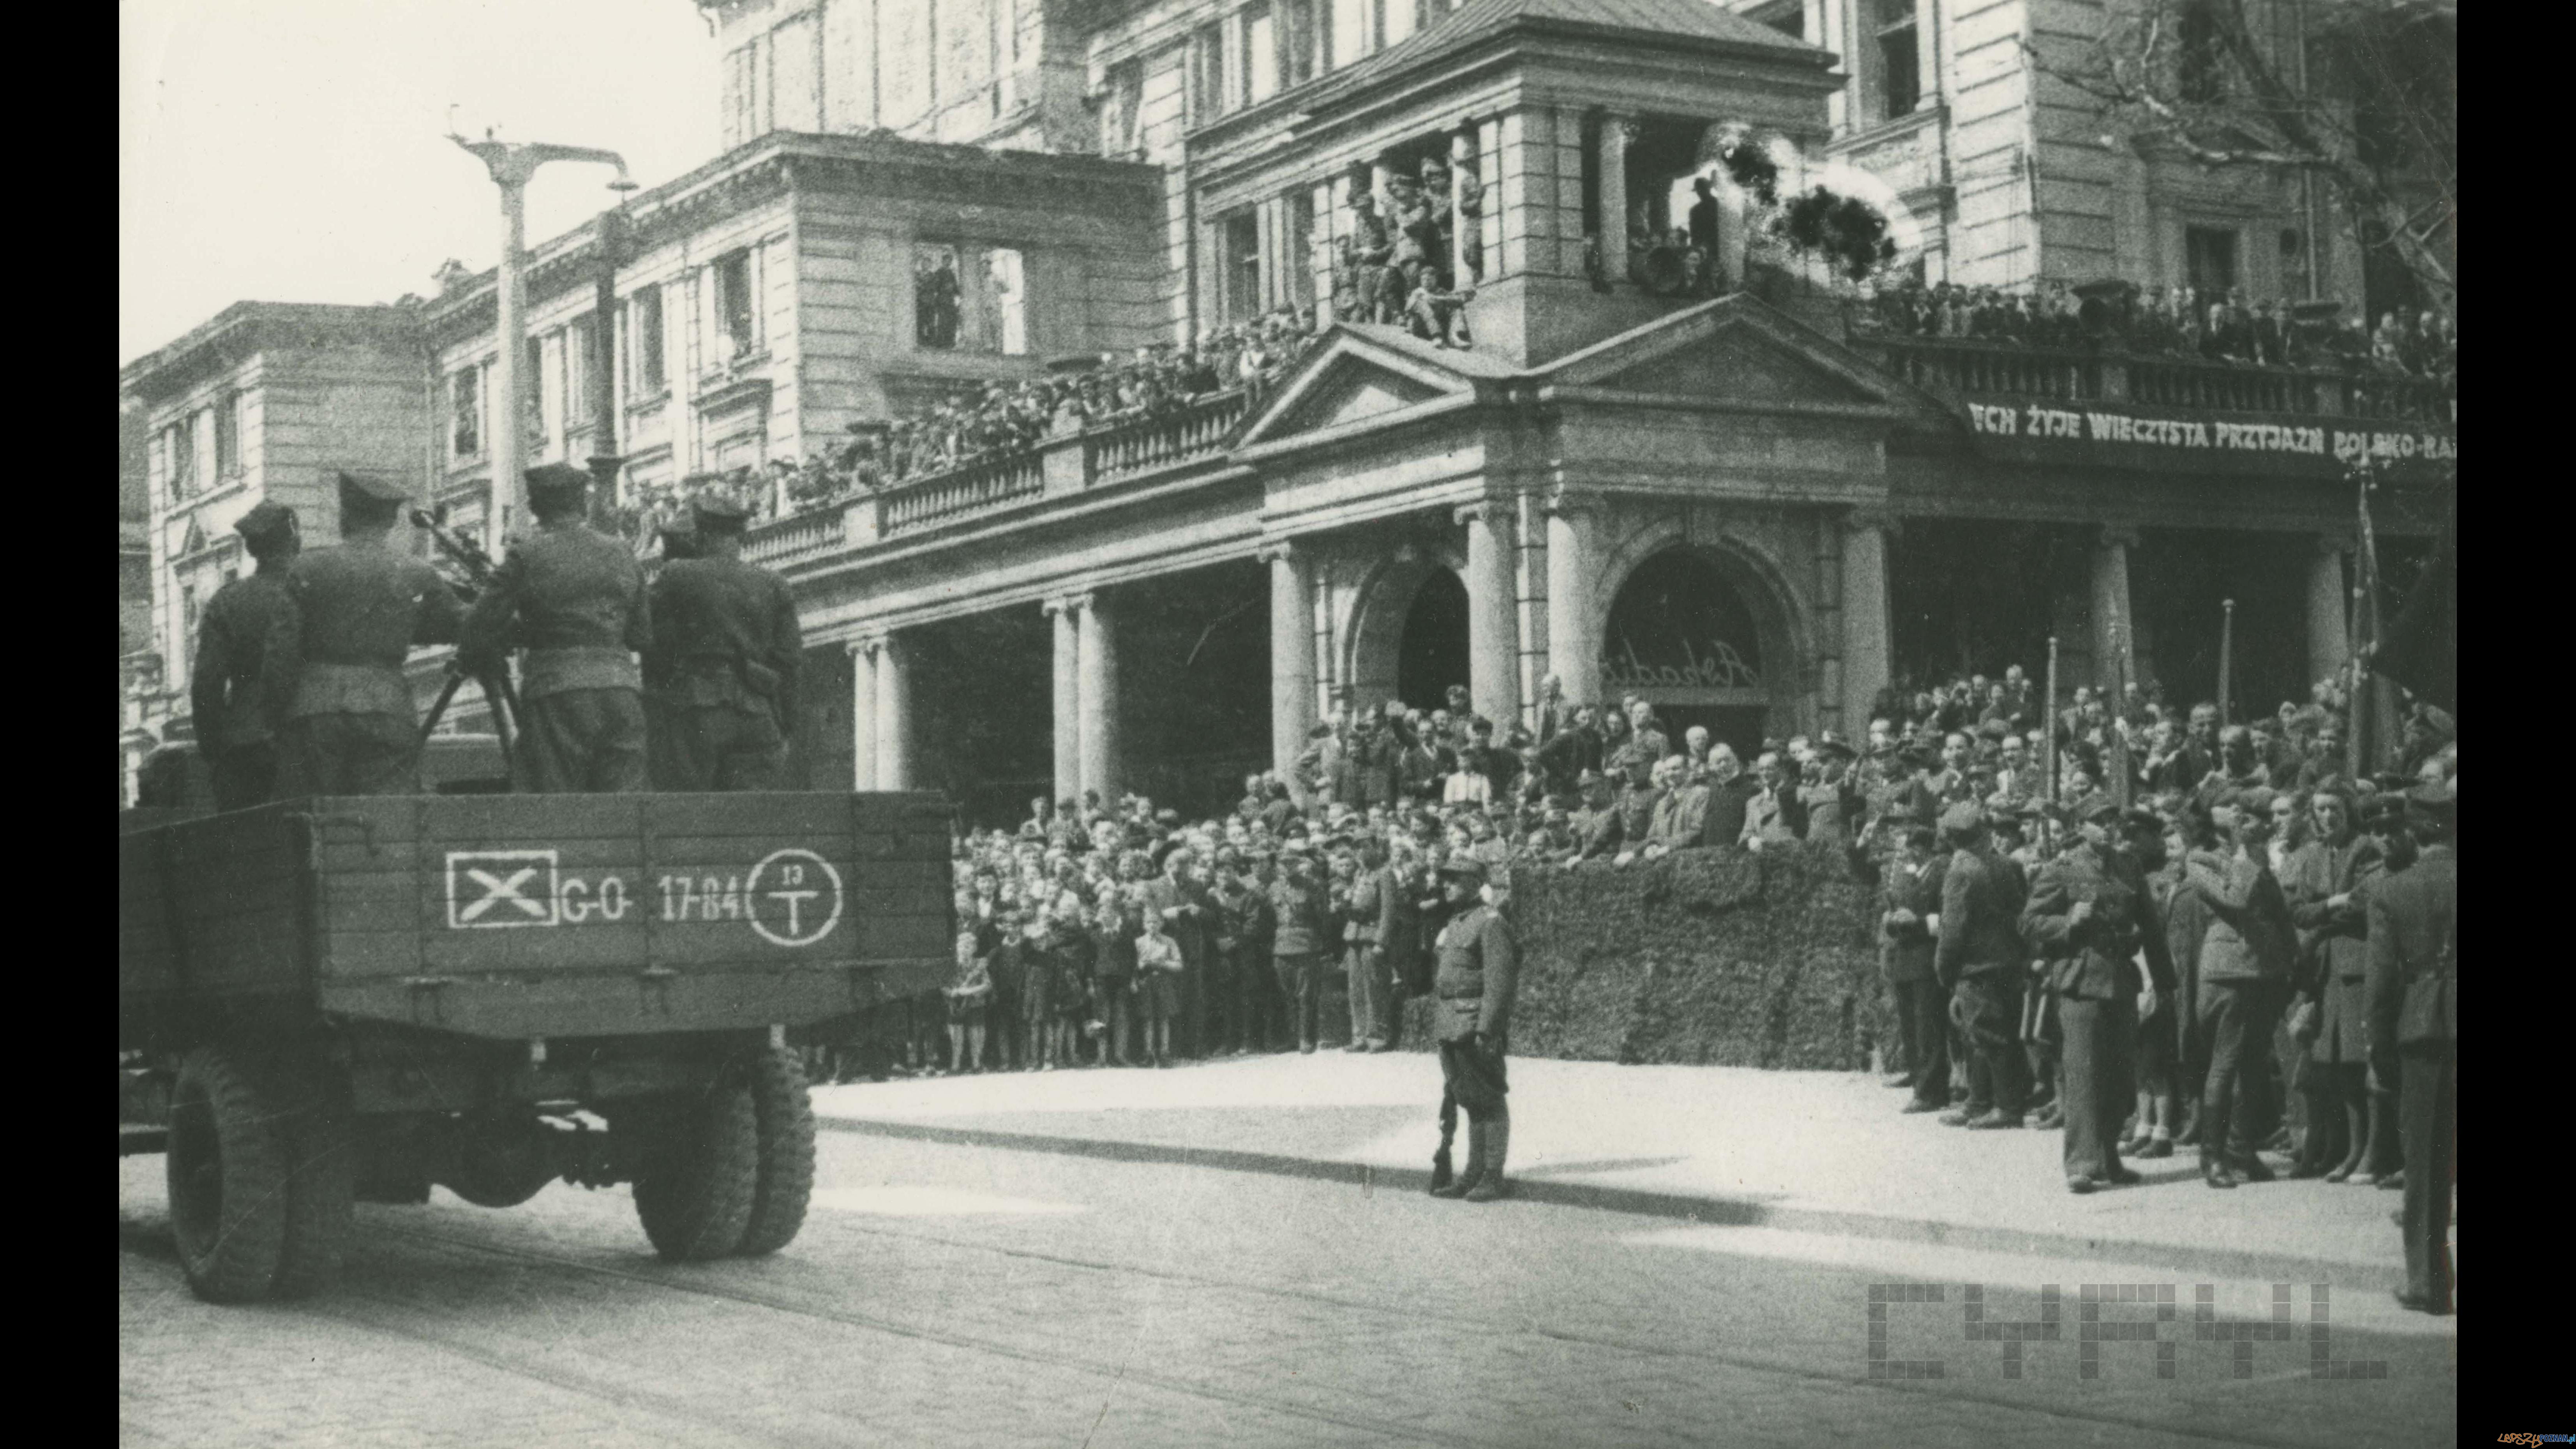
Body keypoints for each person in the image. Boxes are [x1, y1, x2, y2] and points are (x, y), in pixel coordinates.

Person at [460, 464, 652, 793]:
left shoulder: (527, 554)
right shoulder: (622, 551)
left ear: (535, 506)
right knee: (627, 809)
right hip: (620, 689)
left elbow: (479, 625)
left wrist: (522, 632)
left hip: (557, 691)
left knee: (554, 807)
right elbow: (641, 635)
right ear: (583, 504)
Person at [272, 473, 467, 795]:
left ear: (344, 516)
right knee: (389, 818)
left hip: (316, 709)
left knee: (316, 817)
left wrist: (280, 715)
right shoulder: (416, 571)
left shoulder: (306, 568)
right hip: (387, 705)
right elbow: (465, 623)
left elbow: (280, 653)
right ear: (392, 521)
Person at [2022, 793, 2172, 1193]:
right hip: (2080, 981)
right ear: (2081, 827)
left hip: (2121, 980)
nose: (2108, 828)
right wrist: (2068, 921)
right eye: (2099, 821)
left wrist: (2167, 982)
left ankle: (2109, 1159)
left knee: (2120, 1076)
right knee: (2084, 1075)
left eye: (2113, 821)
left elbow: (2152, 929)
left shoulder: (2128, 866)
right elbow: (2030, 921)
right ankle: (2082, 1164)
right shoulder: (2064, 868)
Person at [644, 493, 803, 790]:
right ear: (742, 535)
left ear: (701, 534)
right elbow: (789, 662)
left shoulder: (677, 575)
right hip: (758, 715)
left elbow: (654, 648)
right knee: (748, 819)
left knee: (690, 816)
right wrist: (785, 726)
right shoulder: (774, 583)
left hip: (696, 710)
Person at [2366, 787, 2454, 1315]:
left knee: (2425, 1159)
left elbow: (2380, 985)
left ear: (2413, 830)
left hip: (2422, 1027)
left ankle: (2428, 1281)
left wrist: (2380, 1046)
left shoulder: (2392, 889)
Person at [2185, 793, 2298, 1188]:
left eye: (2242, 809)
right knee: (2226, 1061)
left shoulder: (2254, 856)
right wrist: (2244, 853)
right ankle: (2212, 1156)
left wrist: (2291, 961)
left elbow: (2278, 913)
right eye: (2229, 806)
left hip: (2264, 970)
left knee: (2253, 1064)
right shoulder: (2200, 858)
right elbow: (2234, 899)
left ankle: (2241, 1148)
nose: (2238, 812)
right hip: (2228, 971)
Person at [2283, 788, 2385, 1180]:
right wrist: (2329, 905)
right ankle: (2341, 1147)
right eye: (2321, 808)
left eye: (2335, 808)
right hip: (2323, 968)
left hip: (2357, 962)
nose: (2328, 816)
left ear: (2349, 811)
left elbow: (2363, 903)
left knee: (2357, 1059)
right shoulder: (2312, 854)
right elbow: (2298, 911)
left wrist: (2322, 911)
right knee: (2332, 1062)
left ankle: (2365, 1151)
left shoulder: (2366, 848)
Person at [189, 501, 300, 811]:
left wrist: (216, 752)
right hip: (311, 736)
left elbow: (206, 686)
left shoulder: (229, 601)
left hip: (246, 741)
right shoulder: (315, 590)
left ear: (250, 548)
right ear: (297, 541)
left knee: (247, 846)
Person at [1426, 856, 1518, 1203]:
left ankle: (1493, 1175)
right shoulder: (1456, 922)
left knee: (1490, 1100)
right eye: (1444, 879)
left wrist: (1488, 1029)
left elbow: (1500, 982)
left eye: (1454, 879)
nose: (1445, 885)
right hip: (1451, 1022)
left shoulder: (1490, 922)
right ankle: (1472, 1174)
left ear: (1474, 882)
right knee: (1469, 1101)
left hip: (1474, 1024)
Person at [1935, 802, 2030, 1129]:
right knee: (1988, 1033)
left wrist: (1944, 969)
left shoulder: (1961, 870)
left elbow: (1952, 928)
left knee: (1987, 1036)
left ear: (1951, 837)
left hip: (1976, 966)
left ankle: (2006, 1107)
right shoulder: (2003, 864)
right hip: (2007, 961)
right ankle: (1979, 1102)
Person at [1856, 817, 1948, 1113]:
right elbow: (1897, 908)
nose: (1906, 853)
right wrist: (1891, 921)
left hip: (1927, 958)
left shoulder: (1940, 873)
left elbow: (1946, 918)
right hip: (1906, 957)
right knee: (1910, 1025)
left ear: (1923, 848)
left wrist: (1918, 923)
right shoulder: (1911, 874)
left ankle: (1931, 1091)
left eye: (1911, 848)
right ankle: (1919, 1079)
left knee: (1927, 1029)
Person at [1270, 846, 1331, 1053]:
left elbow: (1322, 917)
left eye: (1292, 863)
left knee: (1306, 995)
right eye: (1284, 863)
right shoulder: (1274, 888)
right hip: (1281, 946)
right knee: (1286, 994)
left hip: (1306, 945)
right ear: (1279, 866)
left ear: (1298, 865)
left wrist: (1318, 943)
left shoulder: (1312, 886)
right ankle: (1292, 1037)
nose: (1288, 868)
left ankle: (1307, 1038)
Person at [1136, 908, 1185, 1068]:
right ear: (1144, 925)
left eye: (1156, 922)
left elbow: (1179, 965)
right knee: (1147, 1018)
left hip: (1164, 981)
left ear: (1162, 924)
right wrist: (1141, 965)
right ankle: (1148, 1053)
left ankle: (1165, 1053)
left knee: (1164, 1018)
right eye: (1149, 922)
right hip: (1145, 982)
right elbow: (1133, 966)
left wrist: (1162, 963)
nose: (1153, 926)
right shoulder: (1138, 943)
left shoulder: (1169, 942)